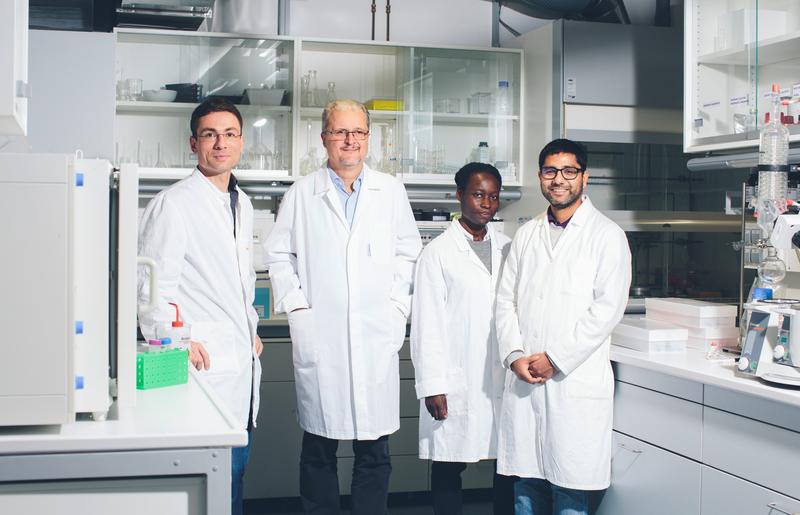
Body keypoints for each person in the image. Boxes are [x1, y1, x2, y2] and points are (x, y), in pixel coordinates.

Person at [264, 99, 422, 515]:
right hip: (324, 336)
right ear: (324, 139)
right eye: (340, 132)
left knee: (374, 451)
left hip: (375, 334)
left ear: (369, 138)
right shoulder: (302, 194)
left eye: (358, 132)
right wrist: (298, 311)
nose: (349, 140)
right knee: (318, 447)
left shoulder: (390, 191)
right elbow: (279, 256)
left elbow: (409, 253)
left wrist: (396, 309)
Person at [137, 97, 263, 515]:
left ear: (242, 141)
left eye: (229, 134)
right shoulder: (174, 203)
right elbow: (151, 287)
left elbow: (237, 284)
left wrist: (252, 329)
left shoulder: (241, 203)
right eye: (210, 135)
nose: (220, 143)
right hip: (203, 368)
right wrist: (177, 341)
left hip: (239, 366)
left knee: (234, 477)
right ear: (194, 144)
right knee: (211, 487)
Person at [494, 138, 631, 515]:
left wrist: (555, 358)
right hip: (526, 380)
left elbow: (606, 310)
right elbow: (505, 302)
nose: (559, 180)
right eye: (551, 171)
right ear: (540, 177)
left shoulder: (606, 236)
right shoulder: (527, 235)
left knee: (569, 493)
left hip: (572, 381)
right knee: (526, 487)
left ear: (584, 178)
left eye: (569, 171)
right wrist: (515, 355)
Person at [411, 162, 515, 515]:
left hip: (502, 372)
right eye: (477, 194)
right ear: (459, 196)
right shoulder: (437, 254)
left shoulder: (510, 248)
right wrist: (432, 384)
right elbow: (426, 324)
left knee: (508, 463)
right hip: (456, 374)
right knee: (448, 462)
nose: (486, 203)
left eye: (493, 196)